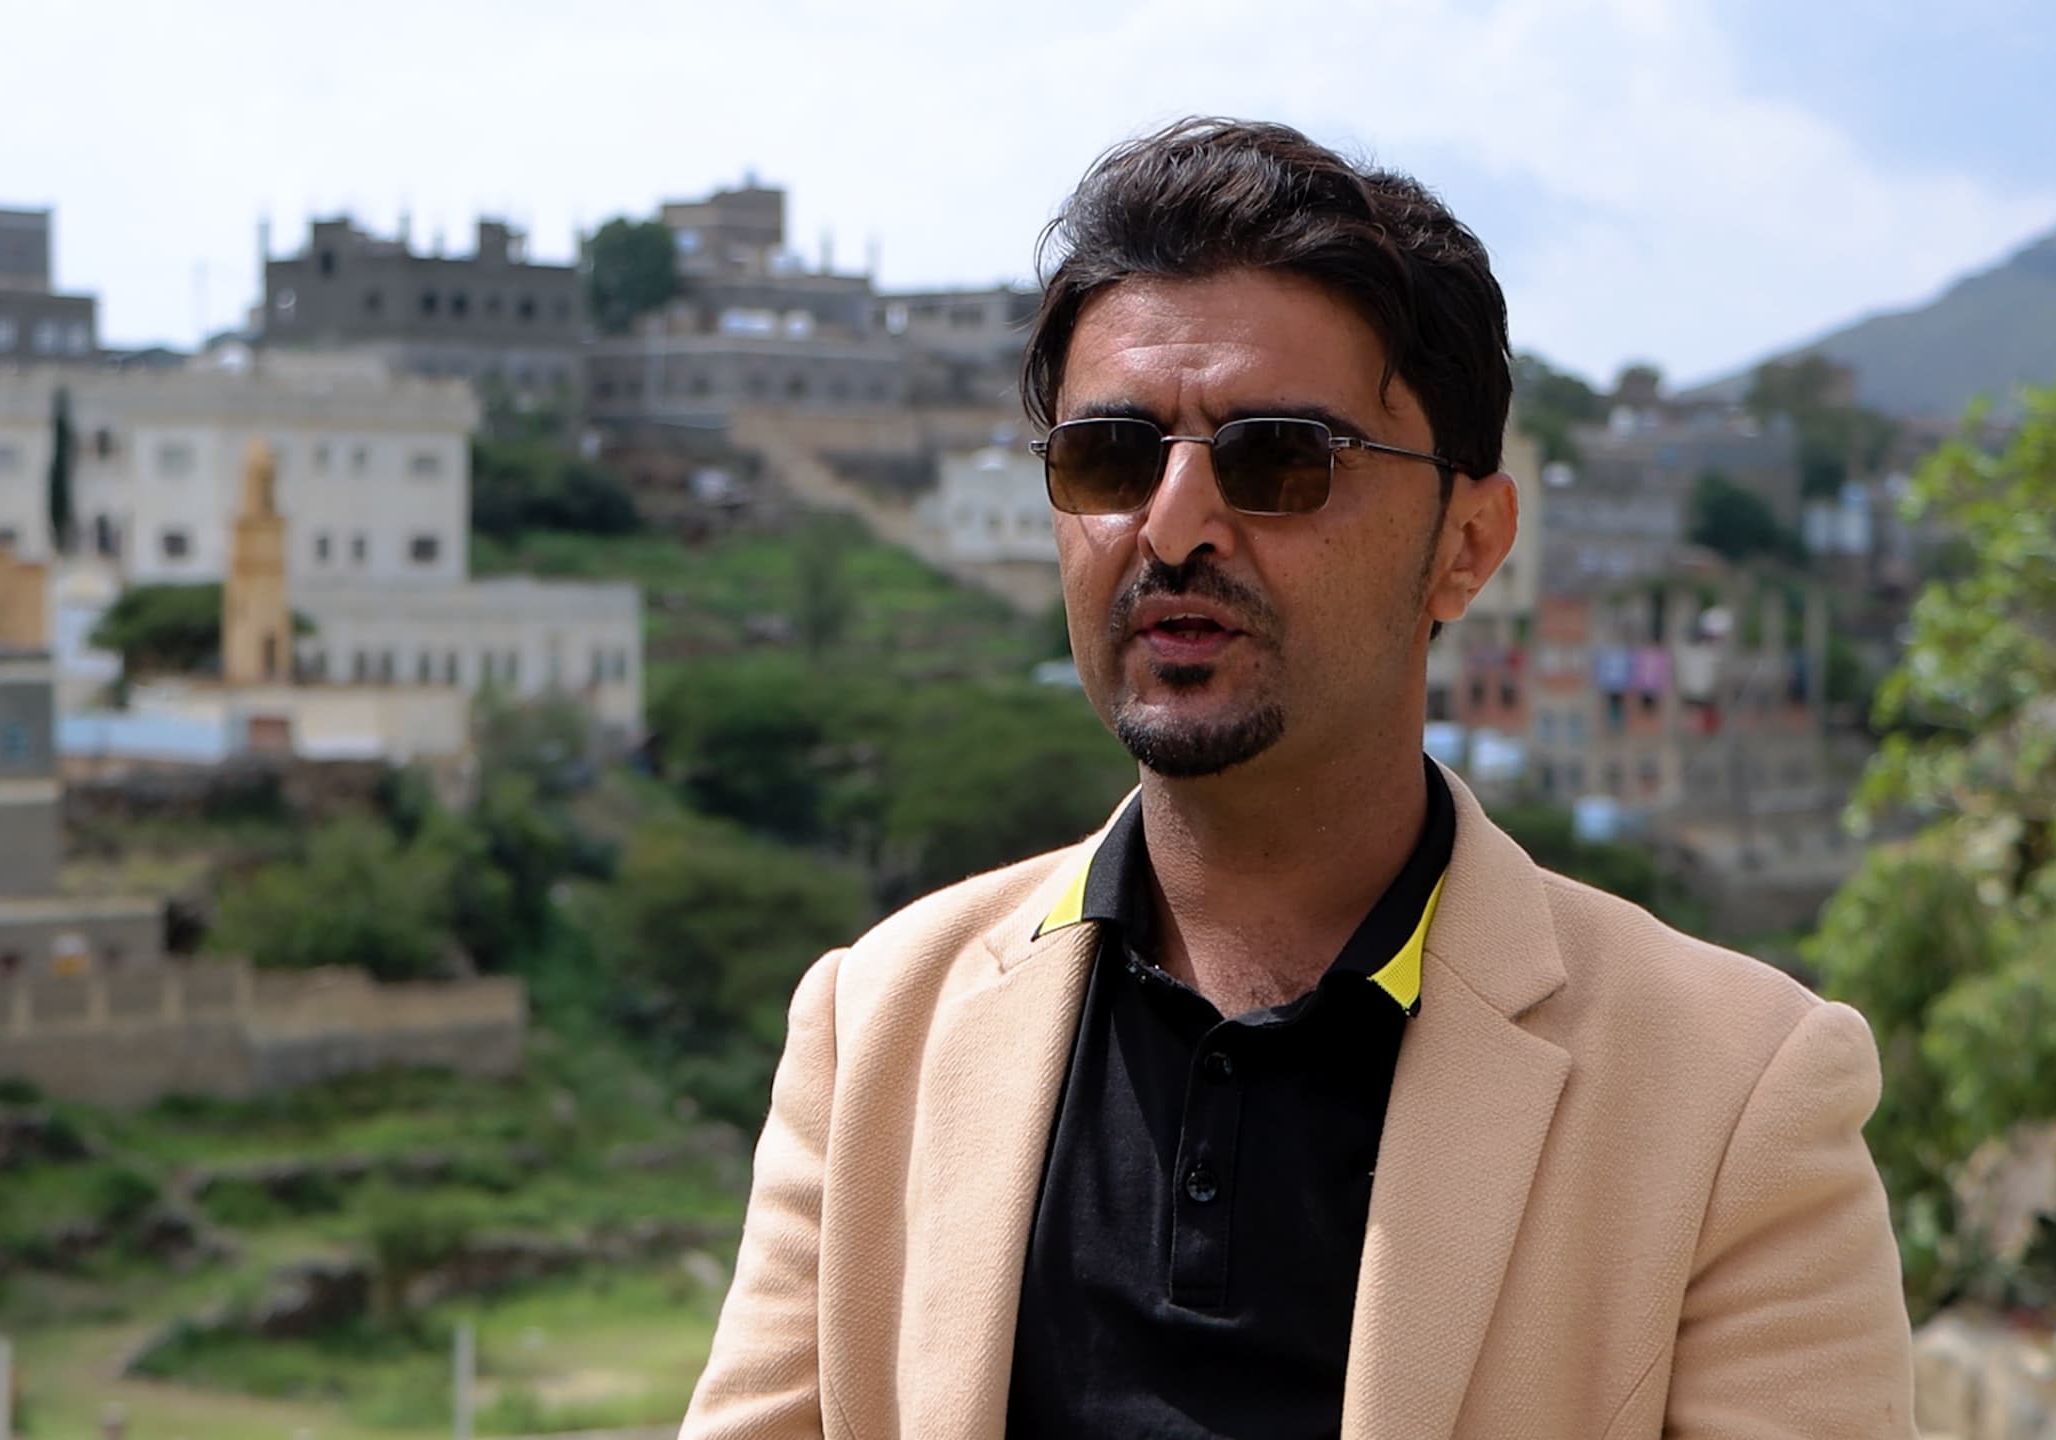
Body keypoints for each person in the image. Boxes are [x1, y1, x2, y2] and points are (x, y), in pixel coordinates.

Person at [682, 118, 1914, 1439]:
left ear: (1467, 545)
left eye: (1279, 462)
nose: (1173, 523)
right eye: (1110, 458)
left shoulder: (1733, 1100)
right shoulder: (878, 1032)